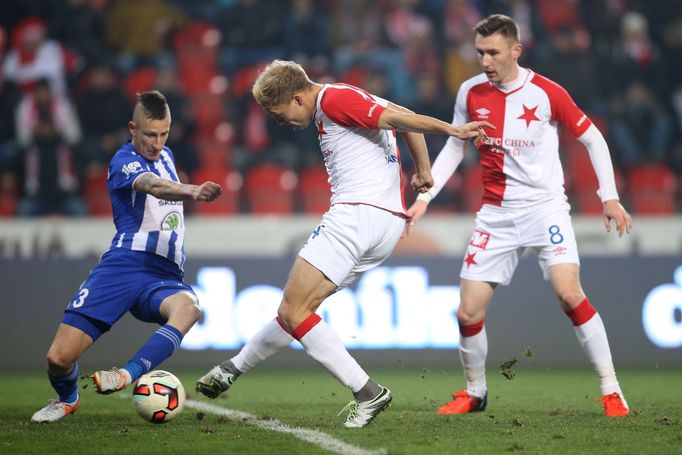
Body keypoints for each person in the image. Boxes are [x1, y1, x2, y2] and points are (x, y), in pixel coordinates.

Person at [195, 59, 491, 428]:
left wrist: (452, 130)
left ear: (299, 98)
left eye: (279, 113)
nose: (280, 122)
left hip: (356, 215)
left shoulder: (334, 99)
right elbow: (403, 115)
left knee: (293, 310)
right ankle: (230, 369)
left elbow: (404, 120)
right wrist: (424, 169)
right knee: (298, 310)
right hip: (384, 224)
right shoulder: (345, 97)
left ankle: (368, 392)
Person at [406, 14, 632, 418]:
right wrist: (427, 196)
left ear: (516, 50)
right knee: (467, 311)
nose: (485, 61)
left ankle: (611, 389)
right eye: (479, 53)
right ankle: (475, 392)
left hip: (545, 209)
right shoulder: (470, 92)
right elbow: (456, 147)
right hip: (495, 214)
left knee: (569, 293)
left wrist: (609, 197)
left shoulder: (546, 92)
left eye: (493, 53)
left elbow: (592, 137)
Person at [31, 91, 223, 422]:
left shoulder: (168, 154)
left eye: (163, 134)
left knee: (190, 309)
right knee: (58, 359)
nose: (157, 143)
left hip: (164, 275)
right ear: (133, 128)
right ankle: (67, 398)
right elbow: (152, 185)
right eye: (150, 134)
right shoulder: (123, 160)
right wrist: (192, 190)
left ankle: (125, 375)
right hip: (124, 266)